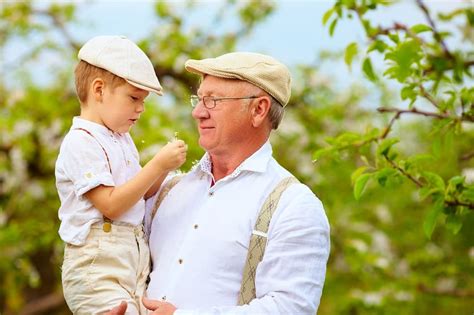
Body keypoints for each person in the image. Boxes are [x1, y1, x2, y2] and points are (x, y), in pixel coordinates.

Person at [109, 51, 330, 315]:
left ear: (258, 109)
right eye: (199, 99)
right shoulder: (167, 189)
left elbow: (292, 309)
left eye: (213, 101)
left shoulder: (294, 206)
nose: (198, 113)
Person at [55, 35, 187, 314]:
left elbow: (139, 194)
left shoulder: (121, 140)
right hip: (97, 267)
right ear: (99, 90)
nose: (140, 108)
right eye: (134, 98)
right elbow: (112, 205)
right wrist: (158, 165)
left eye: (144, 101)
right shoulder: (82, 141)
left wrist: (175, 175)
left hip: (131, 262)